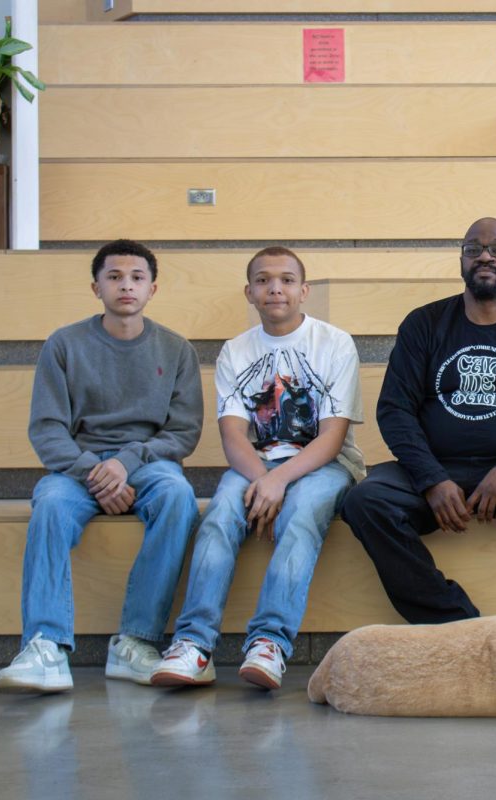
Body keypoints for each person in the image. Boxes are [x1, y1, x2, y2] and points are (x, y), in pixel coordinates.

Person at [342, 217, 496, 624]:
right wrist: (431, 478)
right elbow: (394, 410)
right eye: (473, 248)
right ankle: (454, 623)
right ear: (461, 260)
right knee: (365, 501)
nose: (485, 256)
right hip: (439, 473)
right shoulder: (424, 324)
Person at [0, 240, 202, 695]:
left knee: (178, 496)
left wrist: (125, 464)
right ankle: (45, 647)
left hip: (147, 464)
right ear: (96, 286)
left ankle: (136, 642)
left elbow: (182, 434)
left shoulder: (176, 349)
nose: (125, 285)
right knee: (48, 502)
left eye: (136, 278)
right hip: (78, 468)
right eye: (114, 277)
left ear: (153, 288)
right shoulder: (64, 345)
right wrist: (97, 473)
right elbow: (47, 431)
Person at [151, 246, 364, 691]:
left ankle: (269, 642)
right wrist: (265, 477)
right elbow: (234, 438)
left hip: (324, 463)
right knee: (219, 516)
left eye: (286, 280)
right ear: (249, 292)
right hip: (257, 464)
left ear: (303, 290)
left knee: (300, 513)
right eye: (264, 280)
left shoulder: (334, 343)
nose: (275, 288)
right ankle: (193, 644)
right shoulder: (235, 351)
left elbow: (331, 436)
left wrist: (279, 481)